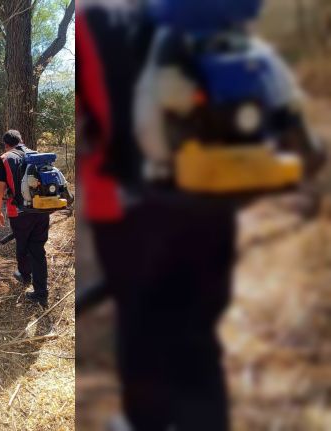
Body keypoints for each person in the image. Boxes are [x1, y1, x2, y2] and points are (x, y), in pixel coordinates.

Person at [78, 0, 324, 429]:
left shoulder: (91, 22)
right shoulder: (212, 19)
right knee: (196, 336)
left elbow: (89, 121)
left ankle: (145, 422)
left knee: (141, 331)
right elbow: (306, 151)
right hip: (211, 202)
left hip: (125, 209)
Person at [0, 130, 50, 307]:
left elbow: (0, 190)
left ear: (6, 144)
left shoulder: (5, 158)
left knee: (23, 245)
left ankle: (25, 276)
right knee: (38, 249)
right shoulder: (35, 154)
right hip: (41, 209)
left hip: (19, 212)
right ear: (22, 140)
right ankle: (41, 293)